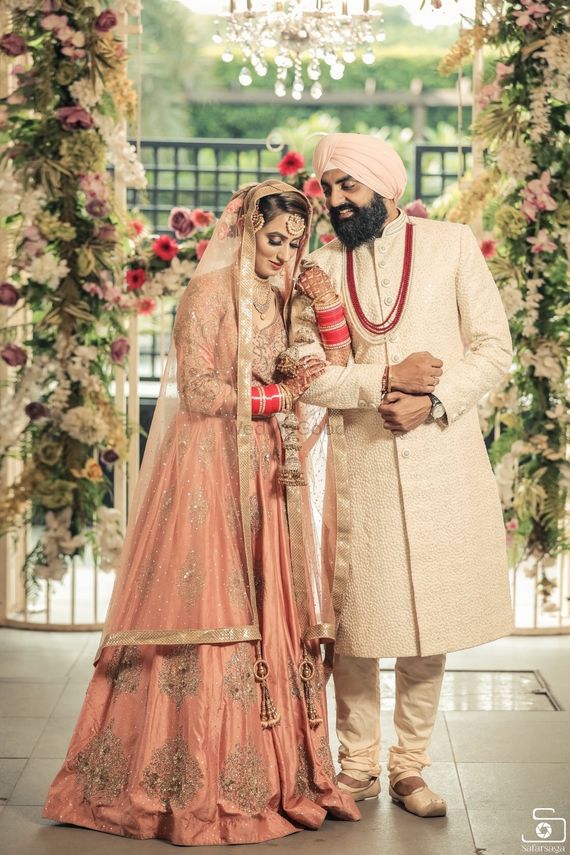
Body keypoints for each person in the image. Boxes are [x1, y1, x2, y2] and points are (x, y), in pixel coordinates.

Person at [43, 180, 360, 845]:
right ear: (245, 229)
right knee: (213, 605)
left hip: (267, 472)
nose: (284, 252)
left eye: (296, 242)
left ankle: (277, 777)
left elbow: (336, 362)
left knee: (272, 606)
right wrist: (279, 398)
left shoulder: (280, 296)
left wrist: (323, 295)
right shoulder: (209, 294)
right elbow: (200, 388)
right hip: (210, 470)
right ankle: (182, 781)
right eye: (276, 238)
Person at [289, 133, 514, 817]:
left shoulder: (450, 244)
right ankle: (356, 768)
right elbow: (308, 374)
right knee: (359, 623)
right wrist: (380, 383)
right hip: (361, 467)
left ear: (384, 187)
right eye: (328, 189)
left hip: (443, 458)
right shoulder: (319, 266)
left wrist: (434, 401)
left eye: (347, 187)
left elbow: (495, 348)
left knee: (428, 624)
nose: (335, 201)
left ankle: (409, 768)